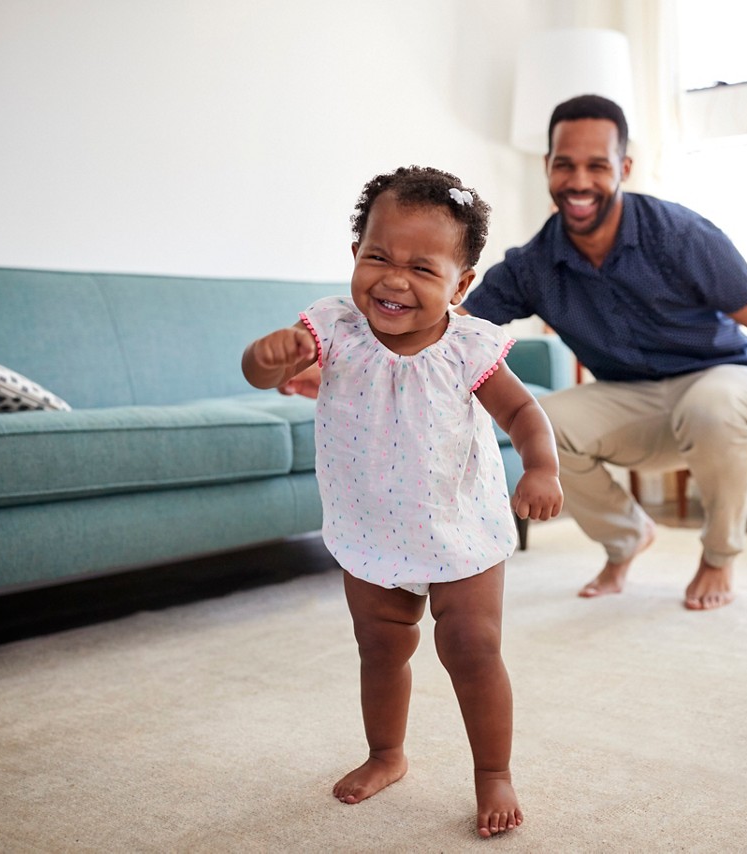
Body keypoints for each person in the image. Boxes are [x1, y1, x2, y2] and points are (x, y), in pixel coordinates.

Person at [459, 94, 747, 612]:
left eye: (597, 165)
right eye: (564, 165)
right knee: (544, 421)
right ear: (548, 167)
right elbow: (457, 327)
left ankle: (718, 556)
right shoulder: (534, 263)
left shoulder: (681, 236)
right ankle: (626, 537)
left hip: (727, 384)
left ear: (624, 167)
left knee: (711, 407)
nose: (578, 182)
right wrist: (352, 340)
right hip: (633, 402)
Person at [242, 165, 563, 838]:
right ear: (355, 253)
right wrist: (270, 357)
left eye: (423, 268)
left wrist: (540, 468)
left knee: (473, 646)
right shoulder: (331, 327)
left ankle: (492, 772)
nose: (393, 279)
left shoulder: (469, 345)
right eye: (377, 256)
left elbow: (525, 413)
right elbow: (261, 371)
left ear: (461, 284)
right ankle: (386, 753)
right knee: (381, 646)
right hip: (369, 525)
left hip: (459, 522)